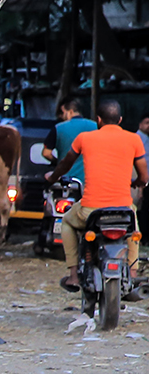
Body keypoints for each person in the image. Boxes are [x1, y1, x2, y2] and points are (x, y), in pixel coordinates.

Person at [47, 99, 148, 296]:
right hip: (123, 210)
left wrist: (51, 178)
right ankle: (133, 274)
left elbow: (65, 164)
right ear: (120, 119)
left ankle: (74, 274)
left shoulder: (84, 138)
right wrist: (136, 184)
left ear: (98, 120)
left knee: (67, 221)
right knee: (133, 229)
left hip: (91, 211)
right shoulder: (134, 139)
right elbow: (144, 176)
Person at [43, 96, 98, 185]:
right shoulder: (95, 127)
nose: (62, 116)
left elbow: (46, 153)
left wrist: (57, 161)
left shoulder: (58, 128)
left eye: (63, 112)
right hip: (90, 180)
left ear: (70, 112)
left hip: (65, 180)